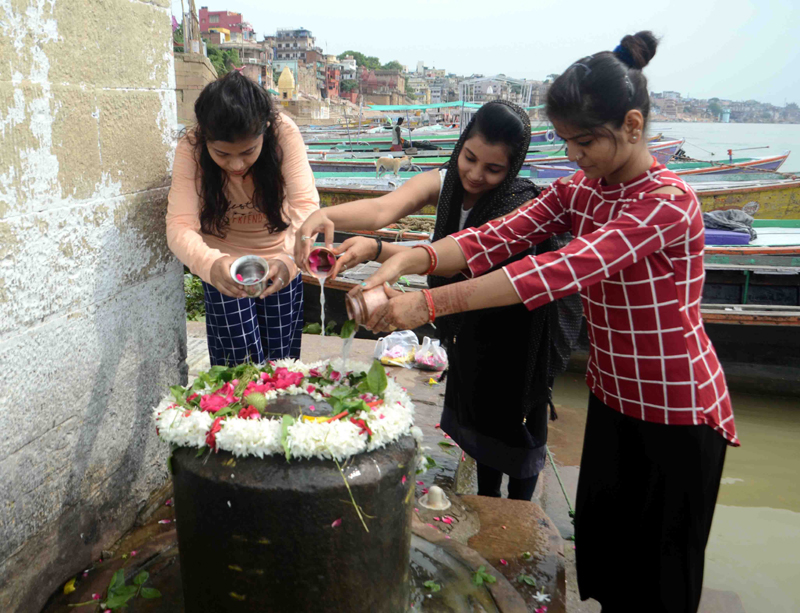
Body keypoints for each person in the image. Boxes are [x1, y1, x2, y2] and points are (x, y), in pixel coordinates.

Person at [360, 32, 738, 612]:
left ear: (633, 126)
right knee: (607, 562)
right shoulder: (581, 190)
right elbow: (495, 236)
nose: (573, 156)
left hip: (677, 411)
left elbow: (553, 272)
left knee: (661, 581)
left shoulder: (666, 202)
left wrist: (428, 304)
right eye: (566, 142)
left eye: (585, 141)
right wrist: (410, 259)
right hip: (614, 398)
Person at [295, 101, 581, 501]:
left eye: (493, 169)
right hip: (467, 323)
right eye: (469, 158)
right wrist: (328, 217)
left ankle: (518, 512)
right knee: (479, 419)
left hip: (515, 329)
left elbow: (465, 266)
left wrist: (391, 266)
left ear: (512, 169)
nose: (476, 174)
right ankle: (485, 500)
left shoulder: (520, 204)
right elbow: (384, 209)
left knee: (516, 429)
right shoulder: (445, 181)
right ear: (461, 145)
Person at [166, 71, 319, 366]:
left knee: (281, 365)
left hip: (281, 258)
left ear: (264, 129)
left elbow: (306, 207)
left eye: (248, 151)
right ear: (206, 140)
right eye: (221, 154)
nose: (236, 165)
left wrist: (289, 261)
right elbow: (179, 225)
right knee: (237, 371)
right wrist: (210, 265)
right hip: (223, 264)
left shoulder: (283, 133)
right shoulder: (190, 147)